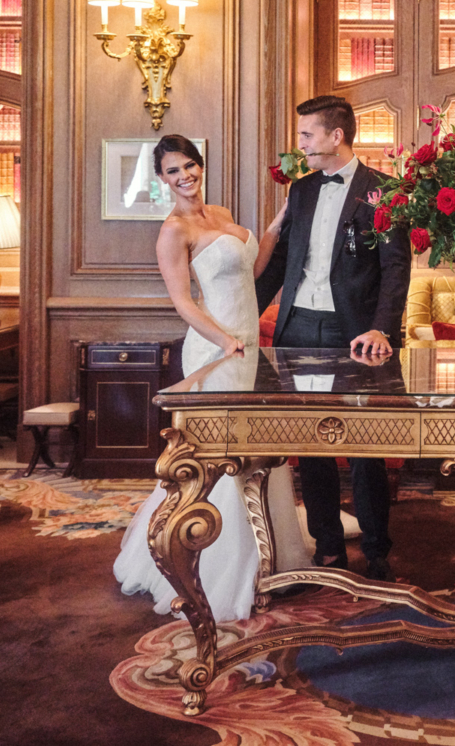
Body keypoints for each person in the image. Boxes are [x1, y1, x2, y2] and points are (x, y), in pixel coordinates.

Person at [113, 134, 312, 621]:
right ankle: (218, 564)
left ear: (201, 166)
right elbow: (183, 302)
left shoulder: (221, 214)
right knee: (216, 458)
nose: (185, 176)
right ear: (162, 179)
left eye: (190, 166)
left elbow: (255, 270)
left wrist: (278, 222)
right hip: (215, 349)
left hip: (249, 347)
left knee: (256, 448)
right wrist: (224, 341)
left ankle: (273, 555)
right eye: (173, 170)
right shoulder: (173, 230)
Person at [255, 95, 410, 581]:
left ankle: (377, 546)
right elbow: (282, 262)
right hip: (298, 326)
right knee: (313, 441)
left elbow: (395, 269)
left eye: (306, 136)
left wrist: (381, 327)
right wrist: (244, 316)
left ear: (335, 136)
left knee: (365, 445)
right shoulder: (299, 191)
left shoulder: (383, 191)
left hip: (356, 333)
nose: (300, 144)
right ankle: (327, 545)